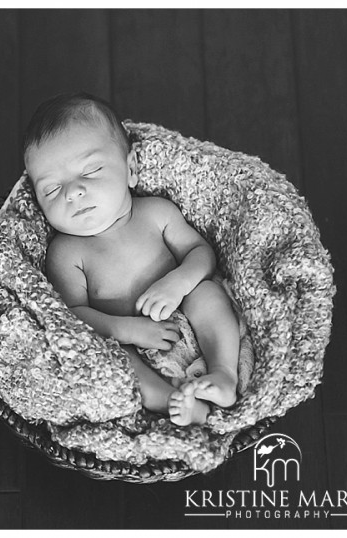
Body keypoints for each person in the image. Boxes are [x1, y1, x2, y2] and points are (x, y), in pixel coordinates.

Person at [24, 92, 240, 426]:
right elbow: (74, 317)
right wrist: (128, 330)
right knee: (112, 360)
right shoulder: (66, 253)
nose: (72, 192)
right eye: (51, 189)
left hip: (190, 317)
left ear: (131, 169)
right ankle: (172, 401)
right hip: (129, 342)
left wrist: (178, 283)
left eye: (91, 170)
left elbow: (201, 254)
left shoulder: (156, 213)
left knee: (207, 293)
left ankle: (223, 374)